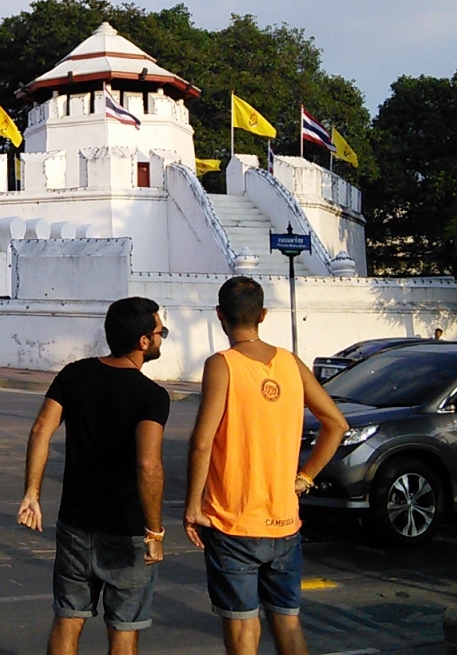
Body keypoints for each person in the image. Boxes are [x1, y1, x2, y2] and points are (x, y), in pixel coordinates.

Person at [183, 277, 348, 655]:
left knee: (243, 626)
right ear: (263, 315)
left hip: (233, 522)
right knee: (288, 623)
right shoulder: (290, 363)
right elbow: (336, 424)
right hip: (284, 522)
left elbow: (202, 441)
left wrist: (193, 506)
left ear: (220, 315)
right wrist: (305, 478)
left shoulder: (222, 365)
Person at [18, 297, 170, 655]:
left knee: (68, 620)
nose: (161, 337)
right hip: (126, 532)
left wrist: (32, 493)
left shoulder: (74, 374)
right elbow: (148, 465)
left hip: (76, 525)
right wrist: (154, 531)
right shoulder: (150, 396)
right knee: (124, 630)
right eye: (160, 332)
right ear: (143, 341)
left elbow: (41, 430)